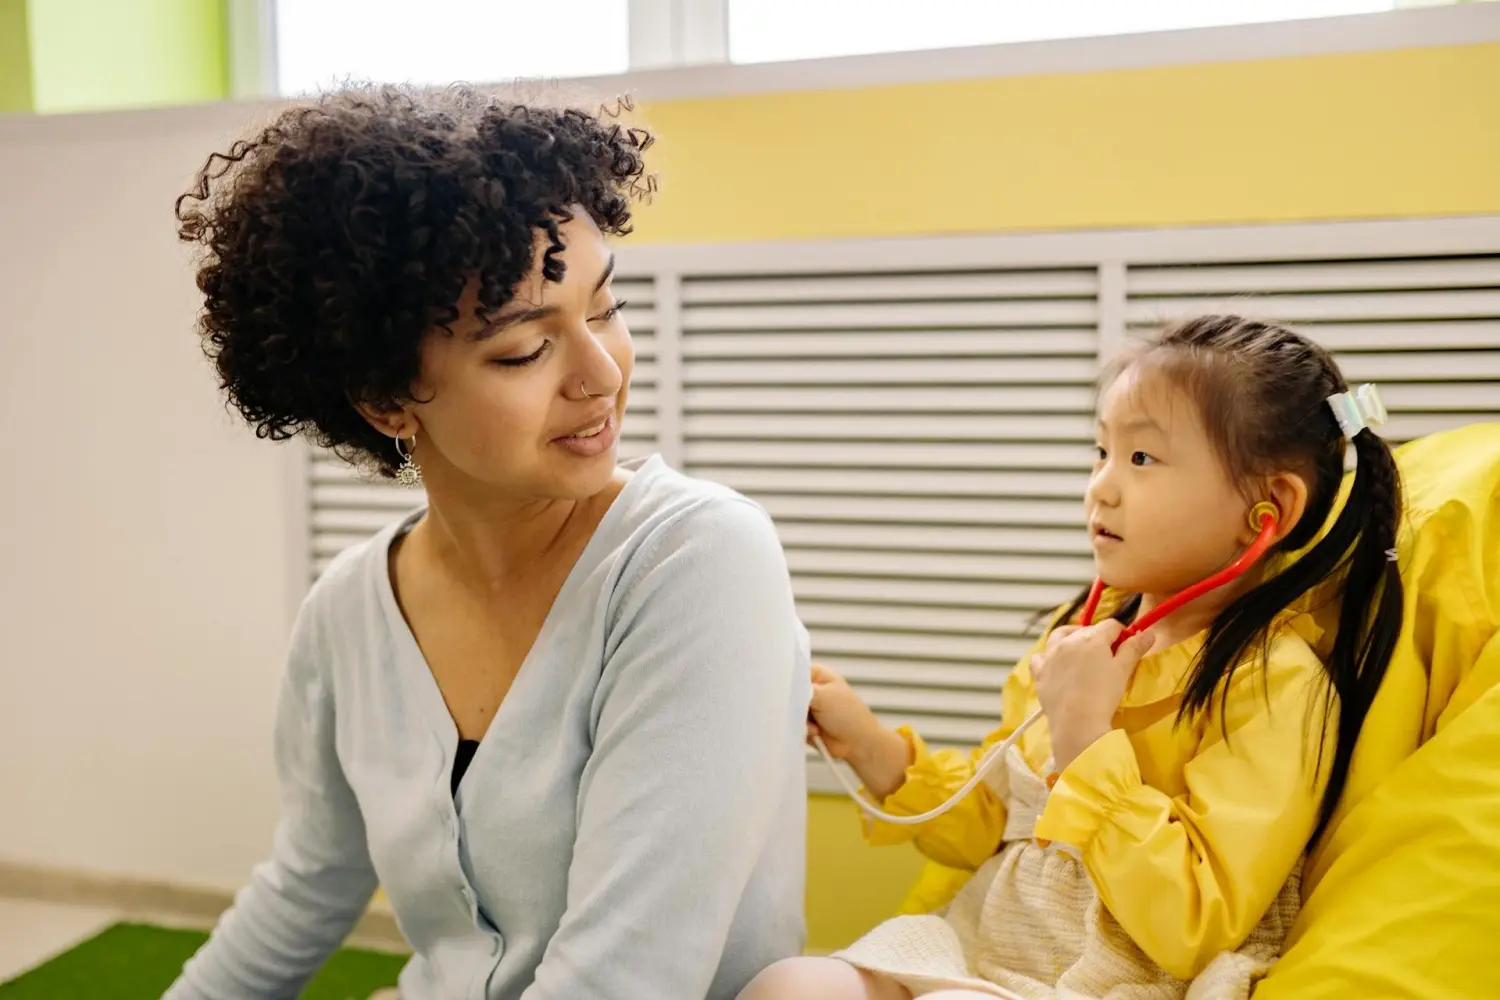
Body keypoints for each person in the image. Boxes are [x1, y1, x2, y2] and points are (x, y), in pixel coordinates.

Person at [164, 84, 810, 1000]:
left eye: (604, 308)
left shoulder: (696, 562)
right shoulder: (349, 612)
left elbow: (628, 975)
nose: (601, 374)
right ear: (386, 400)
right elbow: (308, 884)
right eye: (522, 351)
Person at [742, 316, 1405, 999]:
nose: (1102, 488)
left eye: (1141, 459)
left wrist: (1086, 739)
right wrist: (869, 745)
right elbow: (994, 826)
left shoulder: (1273, 685)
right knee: (788, 985)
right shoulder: (1076, 638)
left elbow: (1193, 922)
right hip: (984, 950)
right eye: (1100, 453)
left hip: (1116, 980)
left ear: (1267, 511)